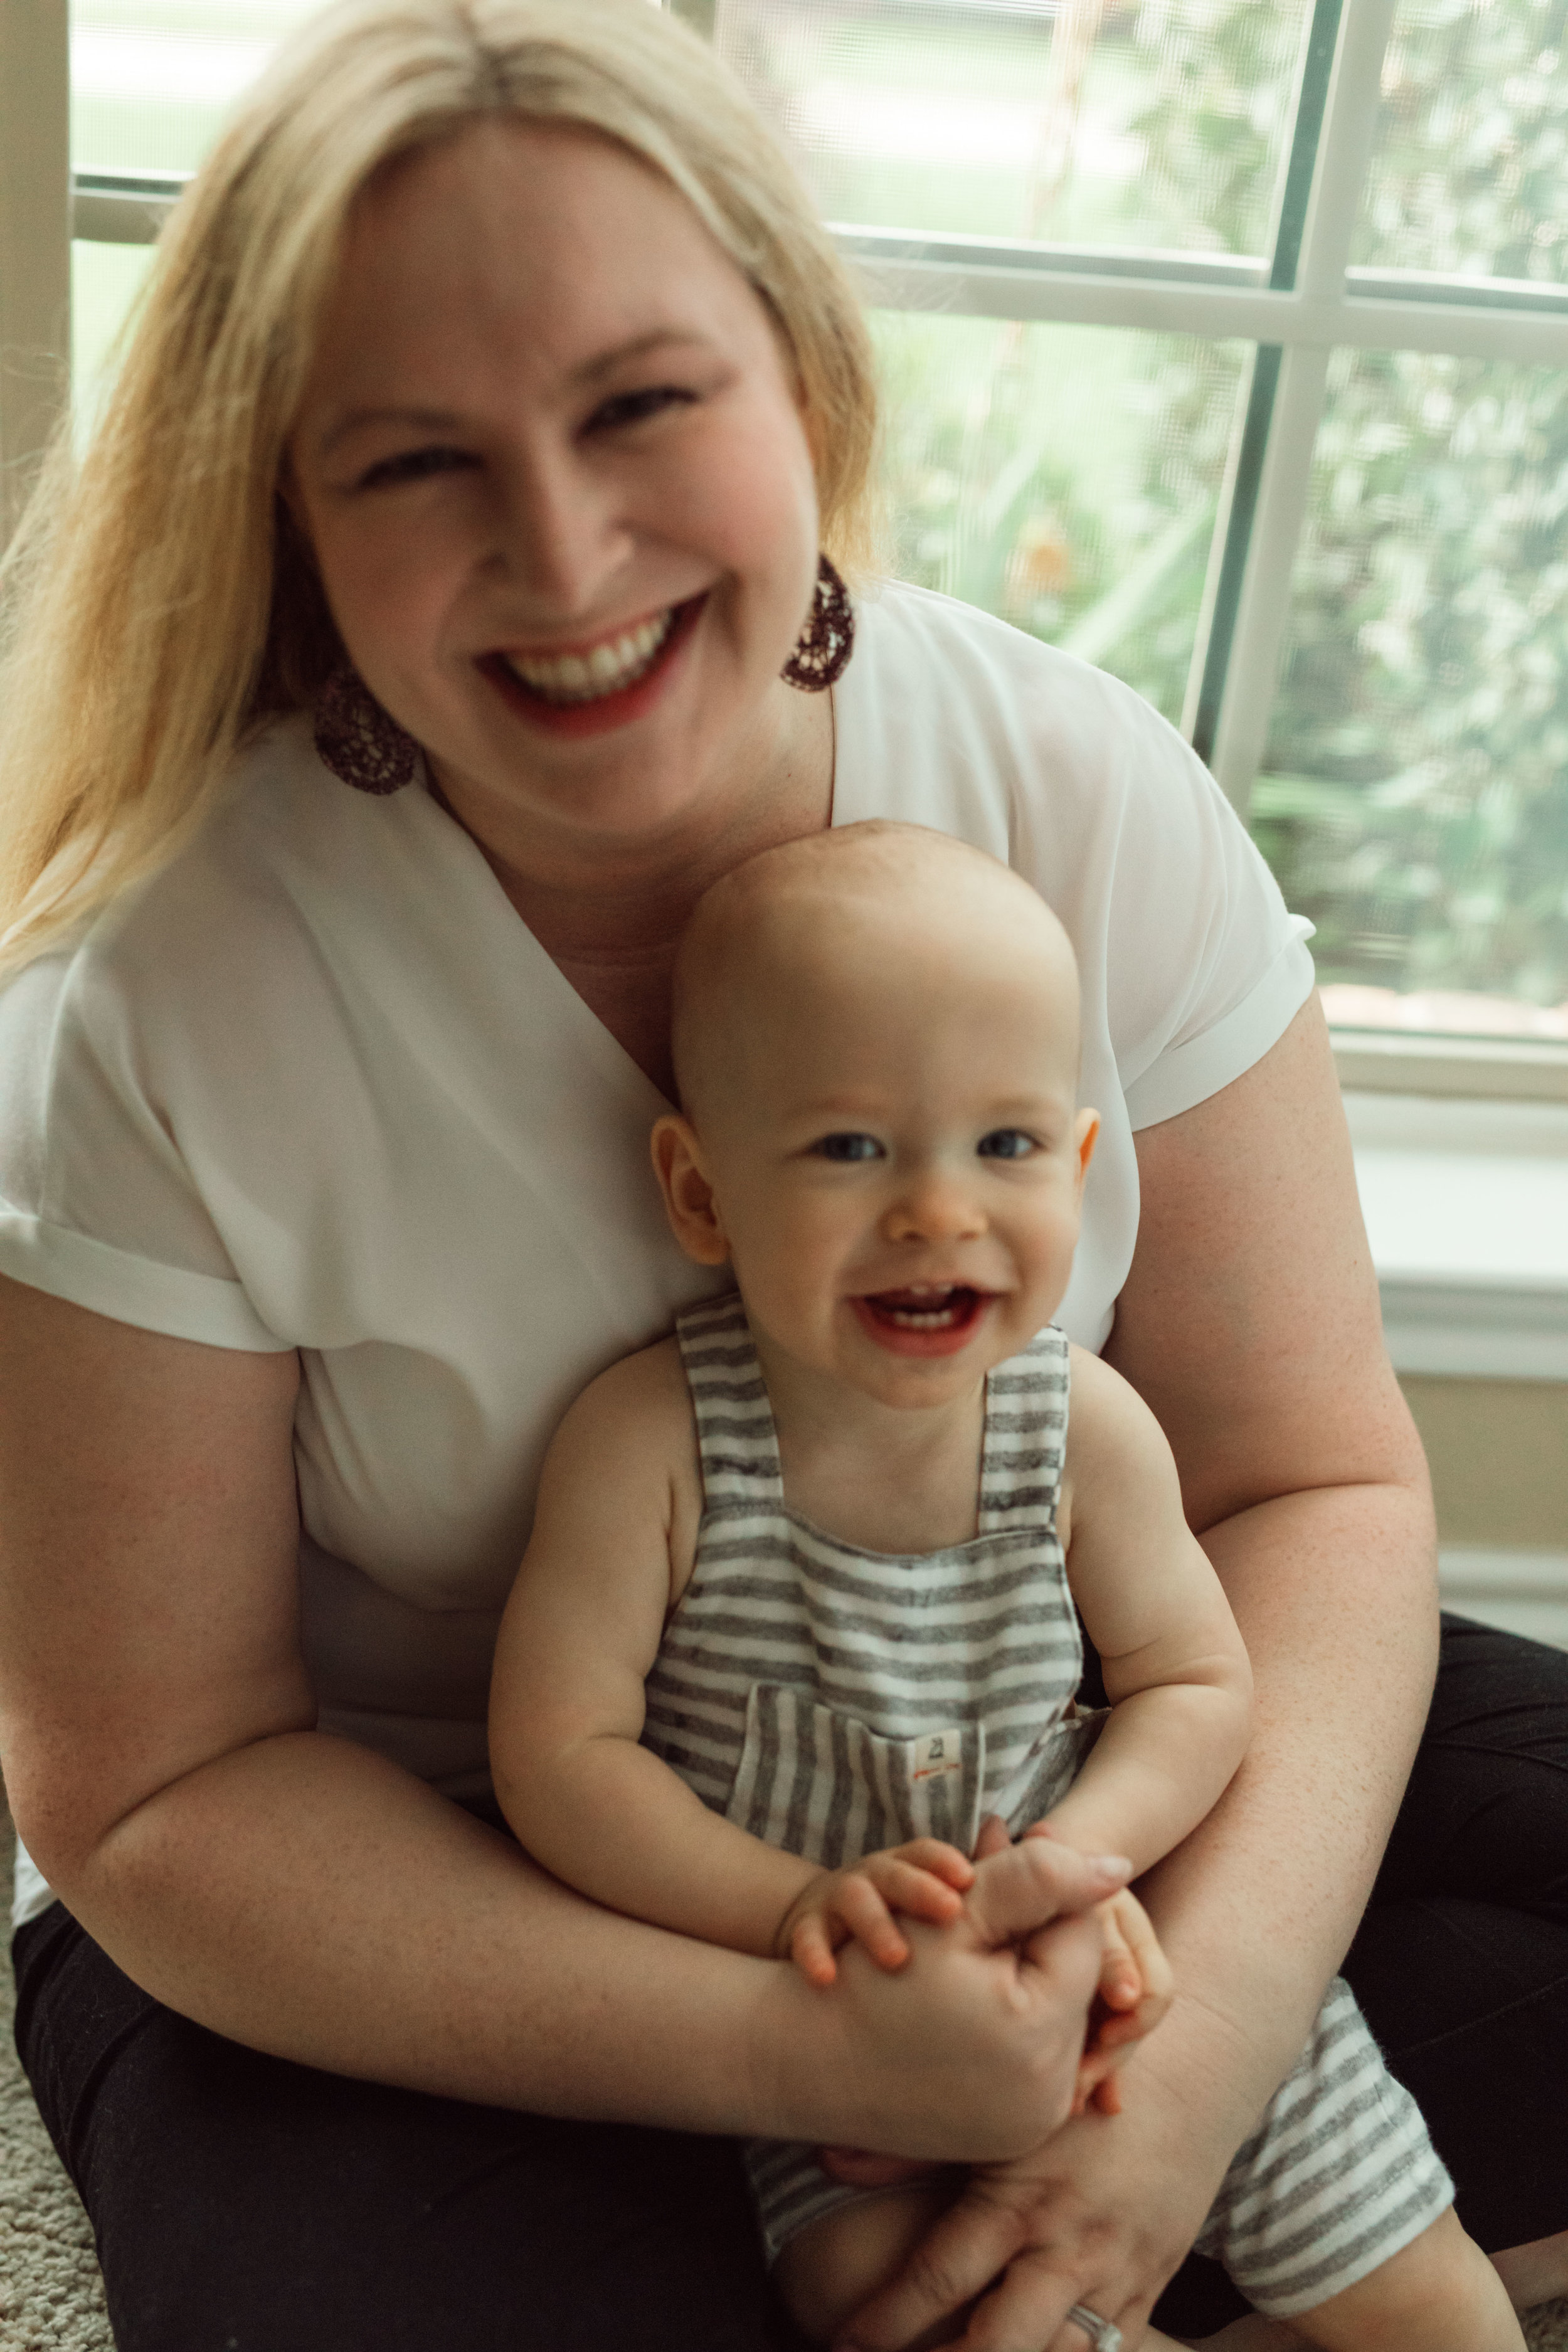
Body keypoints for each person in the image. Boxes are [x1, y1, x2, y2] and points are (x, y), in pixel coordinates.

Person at [0, 2, 1562, 2347]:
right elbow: (155, 1791)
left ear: (803, 376)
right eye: (417, 461)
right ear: (288, 518)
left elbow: (1312, 1484)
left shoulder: (1081, 793)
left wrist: (1205, 2053)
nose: (562, 547)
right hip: (440, 1888)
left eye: (643, 405)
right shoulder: (167, 1000)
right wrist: (800, 2048)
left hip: (1063, 1731)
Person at [490, 820, 1525, 2352]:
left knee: (1413, 2280)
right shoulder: (652, 1444)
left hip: (1125, 1970)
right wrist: (795, 1913)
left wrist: (1082, 1865)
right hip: (845, 2023)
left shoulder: (1078, 1429)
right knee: (878, 2301)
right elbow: (560, 1760)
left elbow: (1195, 1682)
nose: (936, 1211)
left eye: (1005, 1146)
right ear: (700, 1193)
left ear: (1082, 1166)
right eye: (850, 1149)